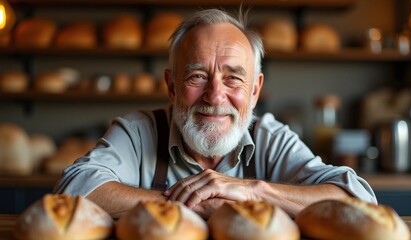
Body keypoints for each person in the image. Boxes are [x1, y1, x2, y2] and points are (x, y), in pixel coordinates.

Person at [54, 8, 376, 219]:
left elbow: (360, 200)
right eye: (197, 76)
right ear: (172, 86)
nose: (215, 95)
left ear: (254, 91)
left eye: (233, 78)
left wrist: (253, 191)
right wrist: (195, 204)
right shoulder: (138, 132)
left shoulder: (269, 137)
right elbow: (75, 188)